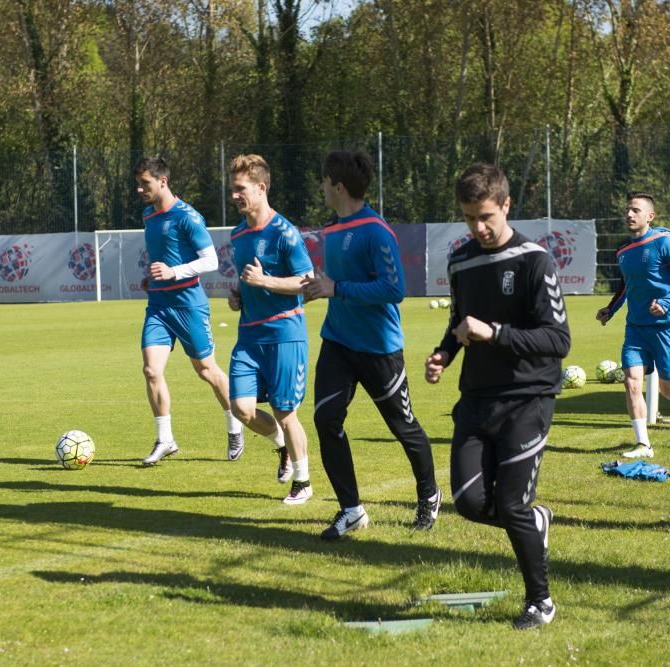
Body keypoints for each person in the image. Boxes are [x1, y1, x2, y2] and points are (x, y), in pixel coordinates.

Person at [425, 163, 570, 630]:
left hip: (528, 398)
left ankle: (540, 602)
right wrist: (444, 354)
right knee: (468, 503)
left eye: (486, 216)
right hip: (477, 399)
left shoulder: (535, 260)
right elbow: (460, 321)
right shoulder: (462, 260)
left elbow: (557, 340)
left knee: (509, 505)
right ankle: (535, 523)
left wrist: (496, 333)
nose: (478, 228)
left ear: (507, 205)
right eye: (469, 218)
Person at [303, 150, 441, 539]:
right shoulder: (332, 228)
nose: (322, 187)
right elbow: (336, 281)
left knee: (403, 427)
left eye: (325, 181)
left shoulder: (376, 230)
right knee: (326, 420)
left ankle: (429, 494)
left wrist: (337, 288)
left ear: (339, 186)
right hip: (337, 343)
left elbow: (393, 289)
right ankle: (351, 510)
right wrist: (319, 285)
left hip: (379, 348)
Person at [134, 156, 243, 466]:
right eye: (138, 184)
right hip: (158, 306)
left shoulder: (187, 217)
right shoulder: (147, 215)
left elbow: (211, 261)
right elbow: (163, 256)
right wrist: (153, 277)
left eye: (146, 184)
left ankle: (235, 425)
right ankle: (165, 439)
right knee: (151, 370)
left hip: (188, 305)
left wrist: (173, 272)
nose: (140, 190)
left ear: (163, 182)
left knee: (207, 371)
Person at [226, 154, 315, 504]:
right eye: (232, 189)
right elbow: (249, 282)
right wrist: (240, 294)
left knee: (285, 411)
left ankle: (303, 481)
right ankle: (282, 447)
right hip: (249, 334)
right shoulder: (237, 234)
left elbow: (308, 283)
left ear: (261, 188)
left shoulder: (285, 233)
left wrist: (265, 281)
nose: (234, 195)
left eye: (240, 189)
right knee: (241, 408)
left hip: (284, 334)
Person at [596, 192, 670, 458]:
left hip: (665, 327)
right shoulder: (623, 250)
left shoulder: (664, 242)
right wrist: (611, 309)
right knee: (631, 382)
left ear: (650, 216)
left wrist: (666, 301)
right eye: (628, 210)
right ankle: (643, 444)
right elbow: (627, 285)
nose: (629, 214)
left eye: (635, 210)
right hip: (636, 329)